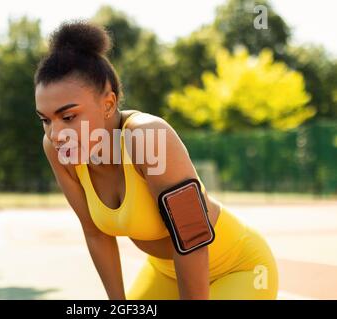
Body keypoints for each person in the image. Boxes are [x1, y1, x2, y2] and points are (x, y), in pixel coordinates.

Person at [34, 20, 278, 300]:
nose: (56, 134)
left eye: (68, 117)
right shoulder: (58, 151)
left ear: (108, 104)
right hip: (166, 272)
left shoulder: (148, 137)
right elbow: (96, 234)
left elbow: (191, 237)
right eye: (45, 120)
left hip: (238, 268)